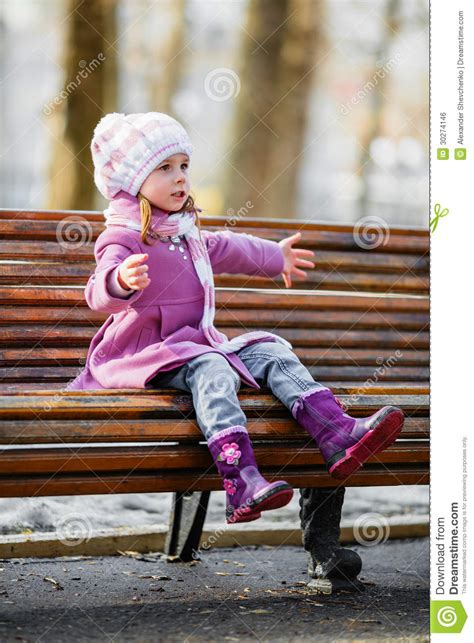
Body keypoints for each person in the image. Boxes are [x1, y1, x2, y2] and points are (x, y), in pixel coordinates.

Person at [69, 111, 405, 525]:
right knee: (212, 367)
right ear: (134, 180)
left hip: (193, 347)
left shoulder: (186, 234)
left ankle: (335, 432)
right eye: (164, 168)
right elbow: (97, 292)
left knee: (267, 350)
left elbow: (228, 247)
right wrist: (119, 280)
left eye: (184, 167)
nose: (180, 178)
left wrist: (274, 256)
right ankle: (240, 481)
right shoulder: (121, 236)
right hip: (144, 355)